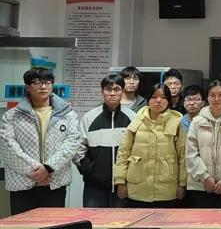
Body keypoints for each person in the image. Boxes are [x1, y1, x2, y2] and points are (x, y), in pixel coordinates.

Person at [0, 67, 80, 215]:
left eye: (48, 82)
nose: (43, 87)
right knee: (22, 225)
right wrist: (37, 171)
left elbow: (72, 143)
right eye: (37, 82)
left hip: (55, 183)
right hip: (22, 183)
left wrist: (48, 168)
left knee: (53, 224)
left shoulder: (67, 114)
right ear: (28, 87)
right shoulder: (12, 116)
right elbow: (8, 147)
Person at [114, 83, 186, 207]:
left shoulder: (177, 122)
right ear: (148, 99)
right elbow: (123, 152)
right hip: (137, 187)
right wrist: (120, 181)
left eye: (163, 97)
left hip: (167, 189)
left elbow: (183, 155)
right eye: (154, 97)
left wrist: (182, 184)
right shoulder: (137, 120)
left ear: (169, 101)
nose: (158, 100)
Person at [77, 74, 137, 208]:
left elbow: (138, 149)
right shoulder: (89, 117)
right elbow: (79, 148)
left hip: (124, 186)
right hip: (94, 187)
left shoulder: (133, 118)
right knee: (94, 219)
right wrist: (89, 170)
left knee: (121, 220)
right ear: (102, 92)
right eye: (108, 89)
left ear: (122, 91)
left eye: (117, 89)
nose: (112, 93)